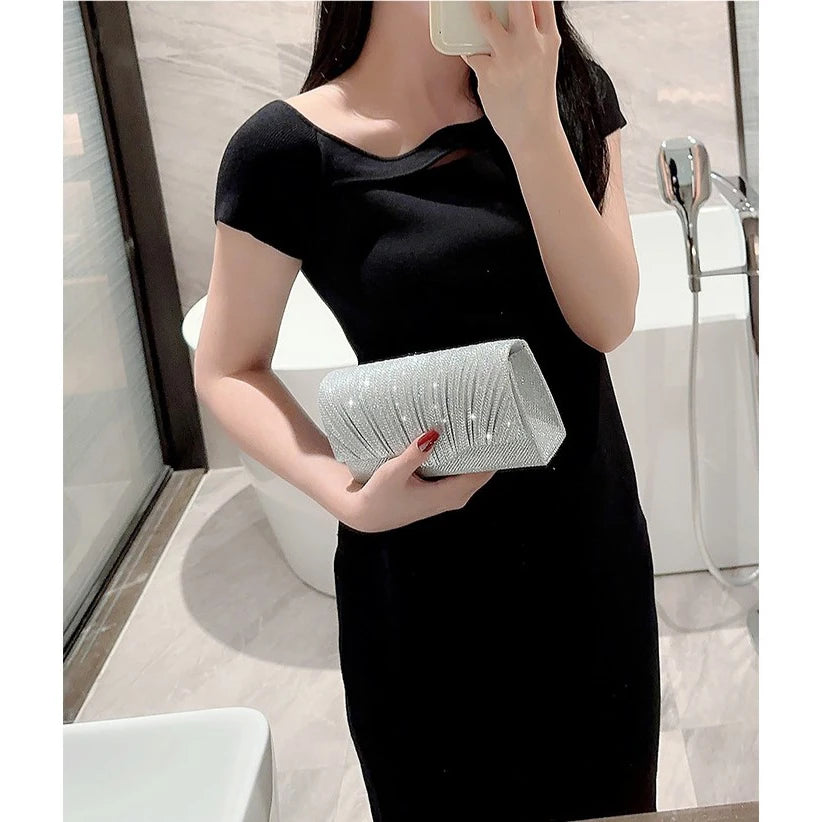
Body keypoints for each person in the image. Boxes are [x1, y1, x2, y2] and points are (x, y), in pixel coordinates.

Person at [196, 1, 660, 820]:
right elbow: (228, 366)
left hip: (585, 561)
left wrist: (530, 121)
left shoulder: (571, 91)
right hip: (421, 585)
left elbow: (606, 320)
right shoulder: (287, 151)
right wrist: (344, 494)